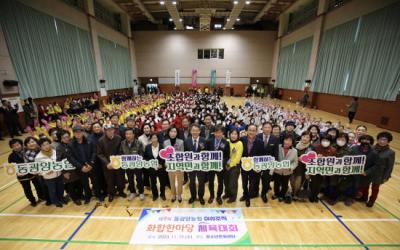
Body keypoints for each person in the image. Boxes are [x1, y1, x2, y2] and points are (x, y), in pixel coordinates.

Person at [357, 132, 395, 207]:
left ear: (388, 141)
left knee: (375, 188)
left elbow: (390, 166)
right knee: (365, 186)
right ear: (377, 140)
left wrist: (386, 177)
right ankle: (364, 197)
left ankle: (372, 200)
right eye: (381, 139)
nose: (382, 141)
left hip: (379, 174)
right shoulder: (371, 147)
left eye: (385, 140)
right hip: (369, 171)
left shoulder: (390, 152)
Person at [8, 138, 44, 206]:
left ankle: (41, 197)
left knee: (38, 185)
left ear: (21, 144)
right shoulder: (11, 156)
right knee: (27, 189)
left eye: (18, 145)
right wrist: (17, 173)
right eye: (14, 146)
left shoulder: (28, 151)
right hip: (22, 176)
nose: (16, 147)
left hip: (33, 173)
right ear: (11, 147)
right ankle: (32, 200)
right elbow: (12, 167)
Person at [68, 125, 99, 203]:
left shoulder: (89, 141)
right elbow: (71, 158)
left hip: (91, 166)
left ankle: (99, 195)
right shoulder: (70, 144)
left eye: (80, 132)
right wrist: (81, 167)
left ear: (83, 132)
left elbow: (94, 152)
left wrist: (91, 163)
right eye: (76, 132)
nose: (78, 134)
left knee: (95, 182)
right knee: (85, 184)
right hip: (81, 168)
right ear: (73, 133)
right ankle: (87, 197)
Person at [97, 124, 124, 202]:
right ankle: (111, 194)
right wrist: (107, 163)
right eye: (108, 130)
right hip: (107, 165)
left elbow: (121, 150)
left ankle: (121, 191)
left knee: (120, 178)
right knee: (109, 180)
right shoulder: (101, 140)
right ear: (105, 131)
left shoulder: (119, 138)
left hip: (118, 163)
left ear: (114, 130)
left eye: (111, 130)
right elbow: (99, 153)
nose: (110, 131)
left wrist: (117, 160)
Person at [35, 138, 64, 207]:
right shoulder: (38, 157)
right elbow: (38, 170)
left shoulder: (55, 151)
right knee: (52, 190)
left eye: (47, 144)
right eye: (43, 145)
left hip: (59, 174)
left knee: (61, 188)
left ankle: (60, 198)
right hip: (49, 177)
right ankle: (55, 201)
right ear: (40, 147)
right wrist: (45, 173)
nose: (46, 146)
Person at [240, 124, 264, 207]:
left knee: (252, 183)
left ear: (256, 132)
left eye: (253, 130)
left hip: (254, 166)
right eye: (250, 130)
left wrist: (259, 166)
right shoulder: (242, 140)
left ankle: (248, 197)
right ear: (247, 131)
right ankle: (245, 194)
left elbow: (261, 155)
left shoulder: (260, 142)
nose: (251, 132)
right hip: (244, 165)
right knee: (244, 182)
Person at [56, 130, 82, 205]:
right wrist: (64, 172)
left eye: (67, 137)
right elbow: (58, 161)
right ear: (60, 139)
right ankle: (75, 198)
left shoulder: (73, 143)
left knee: (79, 184)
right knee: (71, 186)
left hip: (77, 168)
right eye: (64, 138)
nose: (66, 139)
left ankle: (80, 195)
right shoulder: (59, 148)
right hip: (68, 170)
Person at [206, 125, 230, 205]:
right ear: (214, 133)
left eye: (219, 132)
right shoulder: (209, 141)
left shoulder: (226, 142)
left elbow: (227, 156)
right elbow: (206, 154)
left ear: (222, 133)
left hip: (220, 166)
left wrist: (222, 163)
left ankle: (219, 196)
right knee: (211, 181)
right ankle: (212, 195)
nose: (218, 134)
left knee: (220, 182)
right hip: (211, 166)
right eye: (216, 132)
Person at [309, 134, 336, 202]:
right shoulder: (315, 147)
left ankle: (316, 196)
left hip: (325, 170)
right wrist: (316, 157)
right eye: (323, 140)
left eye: (327, 140)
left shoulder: (333, 150)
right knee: (314, 182)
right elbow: (310, 158)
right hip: (315, 168)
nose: (325, 142)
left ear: (330, 141)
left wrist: (328, 159)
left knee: (320, 183)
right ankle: (312, 195)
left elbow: (334, 161)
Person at [256, 122, 279, 203]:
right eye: (265, 127)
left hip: (268, 164)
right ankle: (255, 192)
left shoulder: (275, 139)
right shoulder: (257, 136)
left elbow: (276, 153)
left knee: (266, 181)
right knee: (255, 179)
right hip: (258, 163)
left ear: (271, 129)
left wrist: (274, 164)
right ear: (262, 128)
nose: (267, 129)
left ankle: (263, 194)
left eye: (269, 127)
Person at [271, 135, 298, 203]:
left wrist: (290, 168)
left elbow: (295, 162)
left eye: (290, 140)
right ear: (283, 140)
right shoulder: (278, 147)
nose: (287, 142)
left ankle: (282, 195)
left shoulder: (294, 151)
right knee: (276, 183)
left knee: (285, 184)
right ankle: (276, 194)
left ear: (292, 142)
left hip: (287, 171)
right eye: (286, 140)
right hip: (277, 170)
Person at [184, 124, 207, 205]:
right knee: (192, 182)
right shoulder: (187, 141)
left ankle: (201, 197)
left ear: (199, 131)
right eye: (193, 130)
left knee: (201, 182)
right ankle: (193, 196)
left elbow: (206, 153)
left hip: (201, 166)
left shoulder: (204, 140)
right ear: (190, 131)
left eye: (197, 130)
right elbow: (185, 153)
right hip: (191, 165)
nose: (195, 132)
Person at [120, 128, 145, 201]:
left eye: (130, 134)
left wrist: (138, 159)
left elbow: (142, 153)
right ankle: (132, 192)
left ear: (133, 135)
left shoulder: (139, 143)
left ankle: (141, 192)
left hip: (137, 165)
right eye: (127, 134)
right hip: (128, 165)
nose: (128, 135)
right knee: (130, 179)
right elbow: (121, 153)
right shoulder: (122, 143)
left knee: (139, 179)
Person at [164, 126, 184, 202]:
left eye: (175, 132)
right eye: (171, 131)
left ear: (177, 133)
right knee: (171, 180)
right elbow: (165, 154)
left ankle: (179, 195)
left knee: (179, 181)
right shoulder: (165, 142)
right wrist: (166, 162)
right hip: (170, 164)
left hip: (179, 164)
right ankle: (173, 195)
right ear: (168, 133)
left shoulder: (181, 141)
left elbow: (182, 154)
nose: (173, 133)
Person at [144, 133, 167, 201]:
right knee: (153, 182)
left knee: (162, 182)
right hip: (152, 168)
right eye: (152, 138)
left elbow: (165, 158)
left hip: (161, 168)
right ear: (150, 139)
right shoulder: (147, 147)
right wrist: (151, 163)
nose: (154, 139)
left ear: (158, 139)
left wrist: (161, 164)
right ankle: (155, 195)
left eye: (155, 138)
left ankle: (162, 194)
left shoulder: (162, 147)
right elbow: (145, 158)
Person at [291, 131, 313, 200]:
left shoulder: (311, 148)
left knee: (298, 182)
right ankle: (293, 192)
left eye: (307, 137)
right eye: (303, 136)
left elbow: (312, 161)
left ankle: (295, 194)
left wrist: (308, 172)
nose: (305, 138)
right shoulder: (295, 144)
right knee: (292, 181)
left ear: (310, 139)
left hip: (302, 168)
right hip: (292, 167)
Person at [223, 128, 243, 203]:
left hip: (235, 166)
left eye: (235, 134)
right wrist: (226, 164)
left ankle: (233, 196)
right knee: (226, 181)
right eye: (232, 134)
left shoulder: (239, 143)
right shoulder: (227, 141)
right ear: (229, 134)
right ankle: (227, 194)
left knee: (233, 182)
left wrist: (230, 165)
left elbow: (238, 157)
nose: (234, 136)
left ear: (238, 135)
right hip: (226, 165)